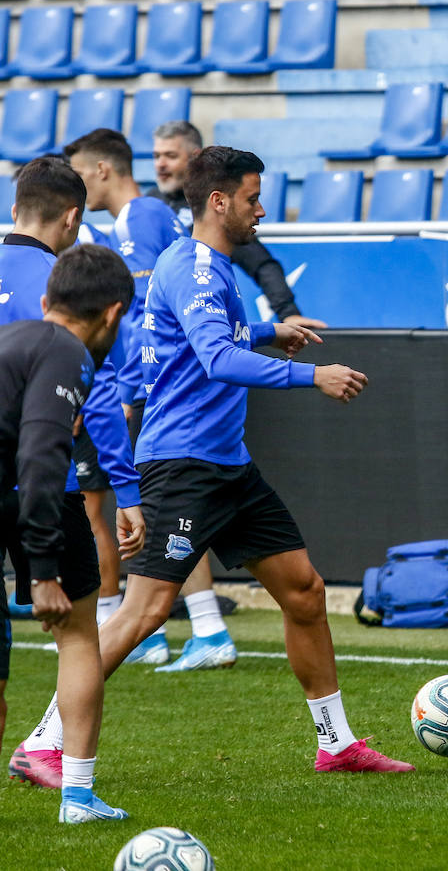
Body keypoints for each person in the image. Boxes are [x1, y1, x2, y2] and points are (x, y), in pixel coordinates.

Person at [15, 146, 412, 776]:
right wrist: (311, 375)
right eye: (253, 197)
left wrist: (262, 331)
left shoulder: (203, 265)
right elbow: (216, 359)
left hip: (227, 463)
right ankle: (43, 740)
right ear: (220, 201)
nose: (262, 209)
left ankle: (336, 744)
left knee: (305, 592)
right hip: (184, 464)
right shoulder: (196, 266)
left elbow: (193, 339)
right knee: (144, 613)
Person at [65, 128, 239, 672]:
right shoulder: (126, 223)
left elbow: (150, 312)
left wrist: (129, 386)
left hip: (149, 389)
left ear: (101, 170)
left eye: (80, 174)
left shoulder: (142, 218)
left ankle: (191, 627)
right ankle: (186, 627)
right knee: (156, 512)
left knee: (155, 511)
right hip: (144, 387)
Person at [1, 158, 148, 792]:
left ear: (14, 207)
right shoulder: (63, 285)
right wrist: (127, 490)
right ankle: (69, 777)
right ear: (72, 217)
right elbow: (104, 396)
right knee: (79, 635)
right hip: (46, 484)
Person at [147, 121, 326, 330]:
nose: (160, 164)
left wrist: (288, 313)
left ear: (195, 157)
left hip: (186, 332)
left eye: (170, 156)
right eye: (156, 156)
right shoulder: (147, 204)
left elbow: (261, 263)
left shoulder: (218, 211)